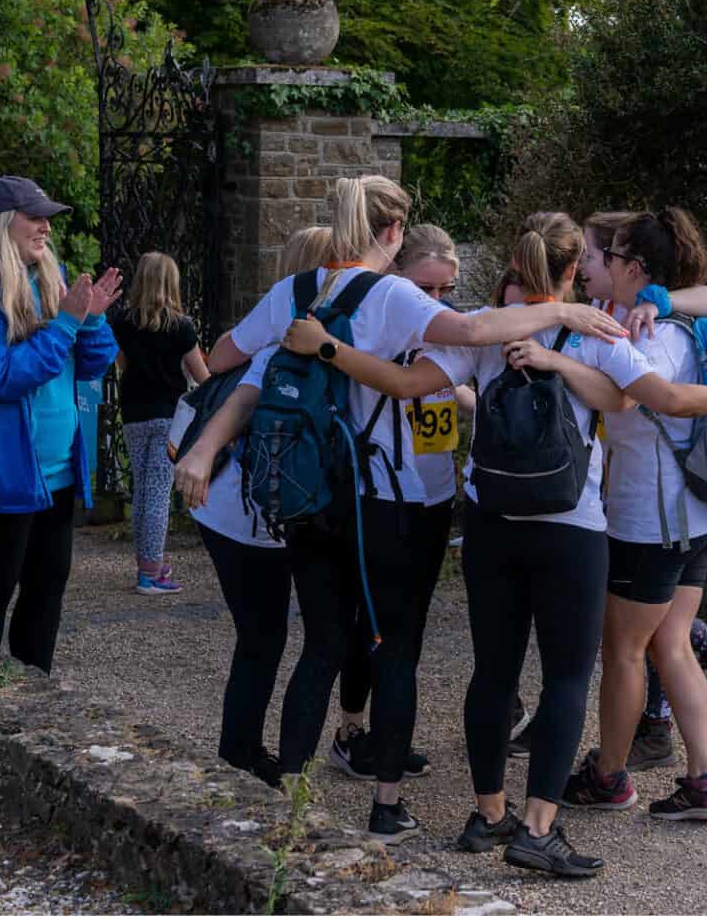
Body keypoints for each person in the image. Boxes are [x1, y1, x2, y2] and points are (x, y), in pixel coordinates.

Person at [283, 210, 707, 872]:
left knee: (494, 671)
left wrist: (327, 348)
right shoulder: (596, 328)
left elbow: (402, 383)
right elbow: (645, 398)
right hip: (572, 529)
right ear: (573, 271)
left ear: (515, 261)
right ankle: (538, 830)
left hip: (489, 524)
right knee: (566, 676)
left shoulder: (482, 328)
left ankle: (489, 816)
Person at [198, 176, 629, 844]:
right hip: (393, 496)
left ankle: (289, 801)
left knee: (320, 645)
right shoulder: (392, 296)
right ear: (394, 234)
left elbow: (226, 355)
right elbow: (473, 329)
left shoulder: (295, 290)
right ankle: (386, 805)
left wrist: (212, 433)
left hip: (312, 492)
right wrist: (563, 314)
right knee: (396, 651)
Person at [563, 207, 707, 822]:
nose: (602, 265)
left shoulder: (627, 336)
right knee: (672, 643)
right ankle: (704, 782)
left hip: (653, 522)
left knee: (623, 649)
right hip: (703, 515)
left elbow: (661, 398)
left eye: (610, 258)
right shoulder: (687, 320)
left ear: (634, 269)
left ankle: (609, 777)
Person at [0, 175, 121, 674]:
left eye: (48, 218)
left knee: (47, 589)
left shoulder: (44, 276)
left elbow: (93, 364)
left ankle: (33, 701)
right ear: (0, 224)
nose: (45, 228)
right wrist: (65, 325)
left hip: (53, 473)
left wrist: (92, 319)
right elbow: (0, 377)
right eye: (34, 217)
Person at [174, 227, 333, 788]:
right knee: (264, 635)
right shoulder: (287, 341)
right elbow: (234, 389)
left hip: (236, 506)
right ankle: (238, 754)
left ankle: (240, 749)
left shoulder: (273, 330)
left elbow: (220, 360)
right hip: (245, 509)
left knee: (262, 634)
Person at [330, 224, 476, 781]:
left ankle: (391, 736)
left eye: (445, 291)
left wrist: (470, 398)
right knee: (375, 621)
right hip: (383, 488)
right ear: (397, 277)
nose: (434, 302)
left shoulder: (446, 328)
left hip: (435, 490)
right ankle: (351, 729)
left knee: (411, 622)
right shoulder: (381, 320)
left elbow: (450, 387)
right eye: (426, 288)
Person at [111, 252, 209, 595]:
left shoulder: (123, 322)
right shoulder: (180, 326)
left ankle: (147, 561)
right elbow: (203, 376)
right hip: (169, 416)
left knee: (142, 491)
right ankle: (151, 572)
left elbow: (123, 365)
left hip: (134, 413)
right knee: (157, 493)